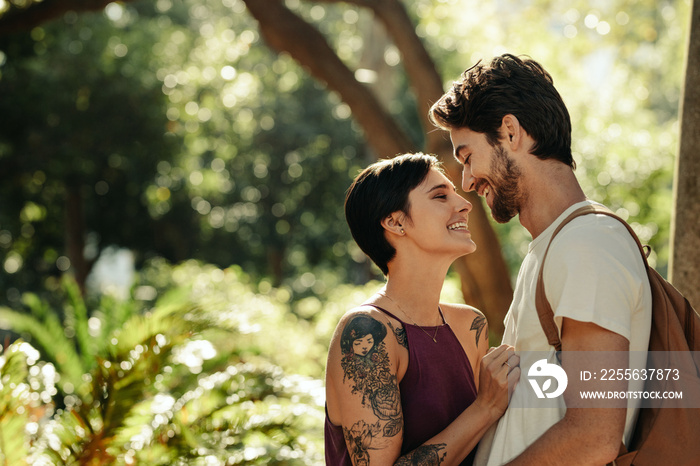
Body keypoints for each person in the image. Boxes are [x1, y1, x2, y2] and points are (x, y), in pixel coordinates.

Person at [429, 54, 652, 465]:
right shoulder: (554, 245)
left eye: (466, 157)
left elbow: (594, 435)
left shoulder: (588, 244)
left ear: (510, 132)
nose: (466, 180)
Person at [325, 153, 520, 465]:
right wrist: (485, 408)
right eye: (441, 196)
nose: (465, 203)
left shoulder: (471, 325)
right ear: (395, 222)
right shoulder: (366, 331)